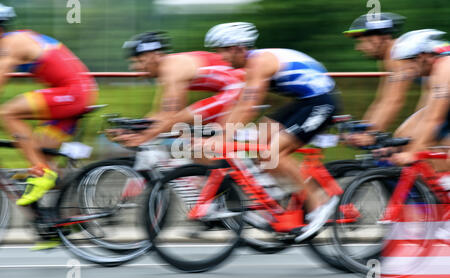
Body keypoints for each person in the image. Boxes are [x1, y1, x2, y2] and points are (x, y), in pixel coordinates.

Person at [204, 22, 340, 242]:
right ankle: (277, 202)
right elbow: (239, 105)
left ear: (237, 48)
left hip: (321, 102)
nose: (220, 57)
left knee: (273, 154)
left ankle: (321, 203)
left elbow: (249, 106)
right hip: (303, 102)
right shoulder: (251, 66)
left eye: (221, 50)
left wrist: (224, 137)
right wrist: (216, 131)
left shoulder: (259, 63)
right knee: (259, 144)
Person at [0, 4, 98, 206]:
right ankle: (60, 224)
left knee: (8, 112)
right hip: (78, 92)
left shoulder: (10, 44)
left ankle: (40, 172)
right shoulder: (19, 38)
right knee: (38, 152)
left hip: (73, 93)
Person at [116, 31, 245, 148]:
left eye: (140, 60)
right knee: (190, 137)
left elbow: (170, 116)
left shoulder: (173, 69)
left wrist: (142, 137)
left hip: (239, 88)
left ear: (155, 56)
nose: (136, 67)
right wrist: (132, 129)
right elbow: (160, 114)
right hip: (234, 88)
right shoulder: (167, 70)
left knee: (178, 123)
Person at [342, 13, 417, 146]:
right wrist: (364, 130)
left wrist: (372, 135)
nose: (358, 48)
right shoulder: (388, 58)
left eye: (361, 41)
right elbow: (382, 100)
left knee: (409, 142)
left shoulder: (398, 54)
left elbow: (395, 100)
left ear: (379, 38)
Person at [388, 30, 450, 165]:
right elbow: (427, 114)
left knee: (445, 156)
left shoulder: (445, 67)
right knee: (403, 136)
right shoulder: (433, 68)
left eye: (408, 62)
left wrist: (413, 153)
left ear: (422, 56)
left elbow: (435, 118)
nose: (406, 69)